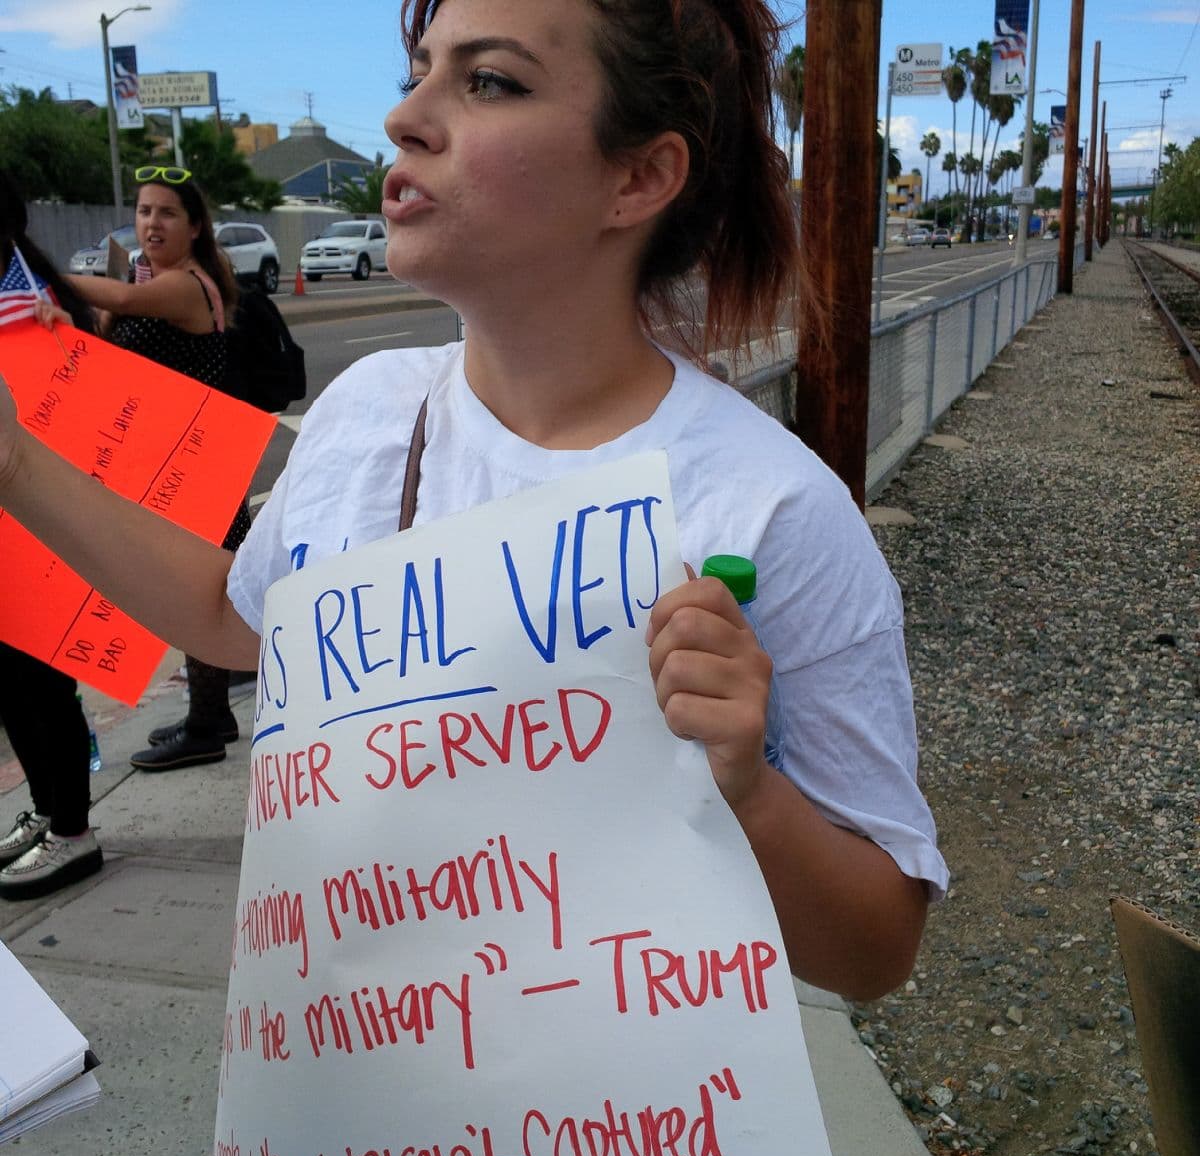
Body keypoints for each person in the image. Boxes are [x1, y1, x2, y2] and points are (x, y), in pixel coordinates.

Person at [0, 0, 947, 1000]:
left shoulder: (770, 508)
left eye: (488, 81)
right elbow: (231, 616)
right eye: (420, 69)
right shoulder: (365, 410)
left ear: (638, 178)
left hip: (627, 1136)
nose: (406, 117)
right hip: (349, 1107)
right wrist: (17, 468)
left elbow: (876, 951)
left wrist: (747, 789)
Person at [68, 167, 251, 772]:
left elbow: (118, 301)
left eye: (167, 213)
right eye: (144, 212)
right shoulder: (161, 280)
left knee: (199, 593)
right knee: (205, 590)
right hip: (184, 459)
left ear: (196, 227)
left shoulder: (187, 286)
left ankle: (208, 722)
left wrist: (45, 279)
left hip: (199, 462)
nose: (151, 223)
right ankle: (212, 711)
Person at [0, 170, 103, 901]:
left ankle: (73, 831)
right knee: (11, 685)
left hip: (35, 522)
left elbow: (80, 399)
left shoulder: (36, 299)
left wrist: (59, 336)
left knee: (41, 683)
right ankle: (44, 811)